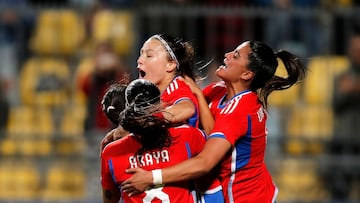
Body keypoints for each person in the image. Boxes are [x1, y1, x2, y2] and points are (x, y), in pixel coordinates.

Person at [121, 40, 307, 203]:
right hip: (250, 190)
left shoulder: (240, 110)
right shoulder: (220, 90)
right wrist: (127, 128)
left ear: (246, 75)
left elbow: (205, 163)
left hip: (243, 197)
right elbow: (188, 107)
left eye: (235, 56)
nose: (226, 55)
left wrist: (151, 177)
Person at [101, 79, 223, 203]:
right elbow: (215, 156)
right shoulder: (187, 136)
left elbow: (110, 198)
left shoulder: (111, 153)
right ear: (161, 104)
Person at [100, 33, 214, 148]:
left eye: (149, 56)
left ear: (170, 65)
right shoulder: (150, 93)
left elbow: (187, 109)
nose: (139, 60)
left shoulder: (178, 84)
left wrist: (140, 121)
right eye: (141, 54)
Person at [324, 23, 360, 201]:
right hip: (343, 139)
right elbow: (334, 103)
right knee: (339, 191)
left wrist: (353, 88)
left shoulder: (347, 80)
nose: (356, 53)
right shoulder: (341, 76)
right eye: (354, 49)